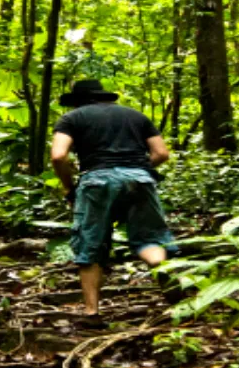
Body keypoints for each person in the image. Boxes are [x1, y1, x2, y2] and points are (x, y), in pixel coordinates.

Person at [50, 79, 175, 314]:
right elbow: (161, 153)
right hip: (140, 179)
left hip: (97, 181)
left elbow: (58, 156)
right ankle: (164, 274)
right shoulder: (135, 116)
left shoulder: (72, 119)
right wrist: (136, 169)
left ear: (77, 101)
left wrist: (69, 188)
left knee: (91, 245)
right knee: (150, 238)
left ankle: (91, 312)